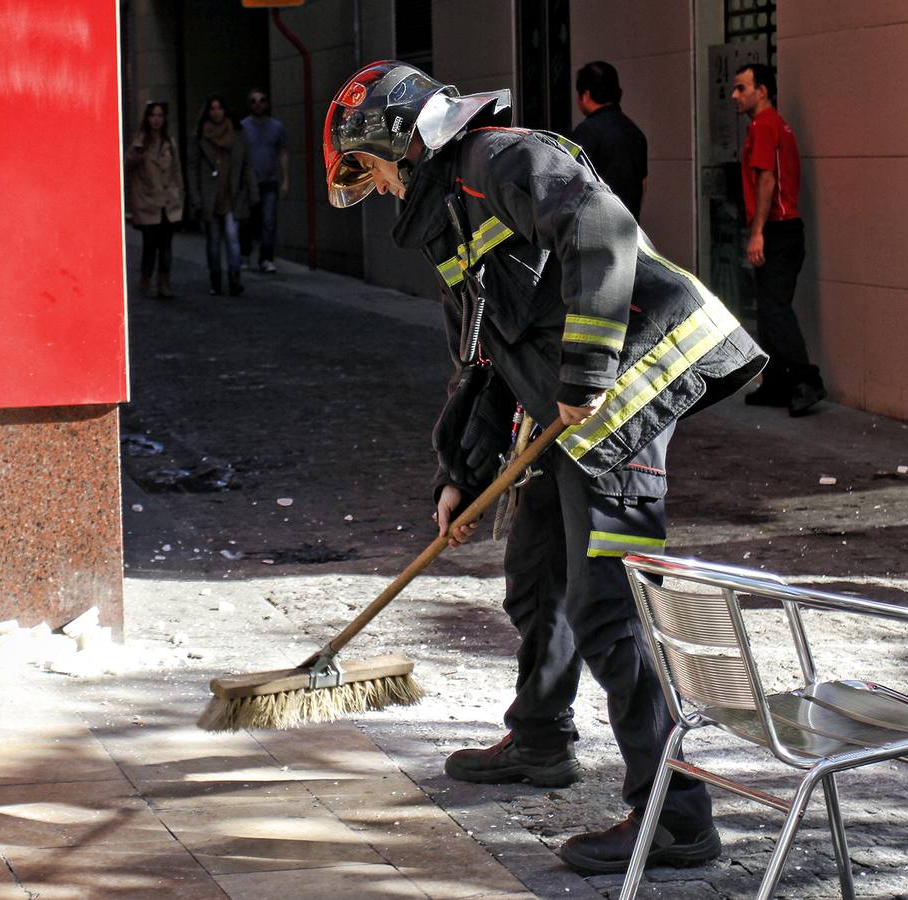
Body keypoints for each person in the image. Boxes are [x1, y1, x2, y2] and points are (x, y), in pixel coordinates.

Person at [322, 61, 766, 875]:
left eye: (373, 168)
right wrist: (461, 472)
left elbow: (601, 232)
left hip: (623, 396)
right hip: (564, 413)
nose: (378, 186)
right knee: (533, 572)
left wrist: (588, 375)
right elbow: (487, 358)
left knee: (609, 610)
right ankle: (539, 739)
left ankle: (676, 816)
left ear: (399, 139)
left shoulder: (506, 161)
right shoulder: (449, 215)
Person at [732, 63, 825, 415]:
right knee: (770, 308)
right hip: (782, 228)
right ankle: (777, 383)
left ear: (763, 91)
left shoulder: (764, 124)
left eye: (742, 88)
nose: (735, 96)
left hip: (778, 229)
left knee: (775, 308)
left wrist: (757, 233)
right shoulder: (772, 124)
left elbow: (766, 179)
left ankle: (806, 379)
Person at [187, 95, 257, 296]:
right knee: (213, 240)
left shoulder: (237, 133)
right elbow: (192, 167)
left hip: (232, 194)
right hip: (210, 195)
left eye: (219, 108)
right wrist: (196, 197)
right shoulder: (200, 135)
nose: (216, 112)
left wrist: (253, 193)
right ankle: (215, 279)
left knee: (232, 237)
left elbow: (247, 164)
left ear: (225, 110)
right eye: (212, 109)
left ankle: (235, 278)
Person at [572, 61, 647, 220]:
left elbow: (574, 184)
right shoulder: (635, 132)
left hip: (596, 228)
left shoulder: (586, 132)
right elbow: (642, 185)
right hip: (629, 227)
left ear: (586, 95)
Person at [125, 101, 183, 299]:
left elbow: (177, 172)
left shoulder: (170, 142)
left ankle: (164, 282)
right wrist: (138, 154)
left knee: (166, 245)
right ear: (147, 118)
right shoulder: (140, 141)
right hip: (148, 203)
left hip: (168, 202)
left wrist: (180, 196)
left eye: (160, 115)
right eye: (153, 115)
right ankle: (146, 278)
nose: (156, 120)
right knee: (150, 244)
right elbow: (128, 165)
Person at [240, 89, 289, 273]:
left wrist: (285, 181)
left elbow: (283, 153)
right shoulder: (243, 127)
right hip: (248, 183)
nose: (257, 104)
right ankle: (245, 254)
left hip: (270, 181)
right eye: (253, 101)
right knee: (246, 221)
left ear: (267, 103)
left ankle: (266, 258)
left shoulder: (277, 127)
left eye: (261, 100)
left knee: (269, 221)